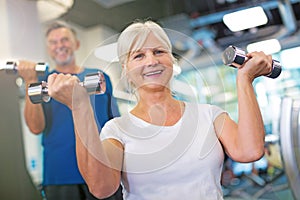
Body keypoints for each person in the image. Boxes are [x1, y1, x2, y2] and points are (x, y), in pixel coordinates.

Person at [46, 20, 272, 199]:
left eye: (159, 52)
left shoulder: (209, 115)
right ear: (126, 68)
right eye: (139, 55)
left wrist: (245, 79)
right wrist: (79, 107)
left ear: (171, 61)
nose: (151, 61)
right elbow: (102, 187)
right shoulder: (117, 130)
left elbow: (250, 151)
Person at [17, 21, 123, 200]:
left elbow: (115, 125)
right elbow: (35, 127)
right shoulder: (42, 81)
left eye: (65, 40)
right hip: (60, 176)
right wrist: (29, 80)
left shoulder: (99, 78)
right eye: (53, 42)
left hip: (101, 169)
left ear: (76, 44)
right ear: (48, 49)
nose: (59, 45)